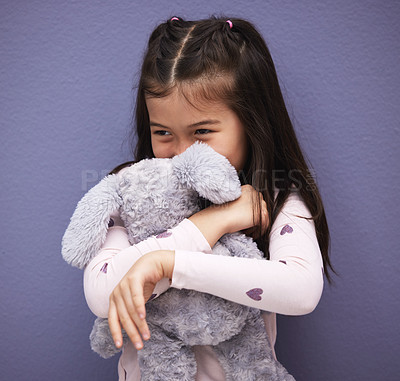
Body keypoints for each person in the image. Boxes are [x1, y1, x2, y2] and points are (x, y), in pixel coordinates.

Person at [83, 16, 334, 380]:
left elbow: (302, 290)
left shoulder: (273, 198)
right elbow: (101, 294)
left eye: (202, 131)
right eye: (163, 132)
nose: (183, 152)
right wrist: (210, 224)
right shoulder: (132, 192)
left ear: (251, 123)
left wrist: (170, 267)